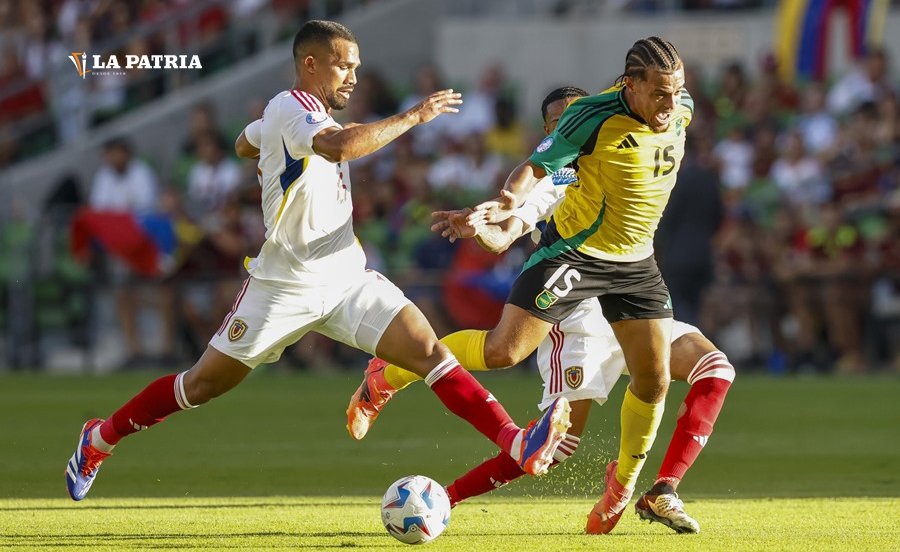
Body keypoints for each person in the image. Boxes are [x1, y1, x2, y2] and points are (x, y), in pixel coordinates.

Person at [65, 20, 571, 502]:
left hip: (346, 277)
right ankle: (99, 438)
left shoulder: (292, 116)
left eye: (356, 67)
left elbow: (244, 142)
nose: (353, 77)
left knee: (429, 352)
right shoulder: (291, 105)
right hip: (282, 286)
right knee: (200, 385)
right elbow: (340, 146)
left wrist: (267, 147)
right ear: (310, 64)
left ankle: (515, 441)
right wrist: (414, 116)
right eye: (343, 65)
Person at [348, 37, 693, 534]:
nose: (669, 102)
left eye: (675, 91)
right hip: (577, 264)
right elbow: (523, 193)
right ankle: (393, 371)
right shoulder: (581, 138)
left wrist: (493, 221)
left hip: (636, 265)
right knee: (505, 355)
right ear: (630, 84)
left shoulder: (678, 106)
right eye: (659, 92)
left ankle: (624, 490)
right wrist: (500, 208)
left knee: (658, 380)